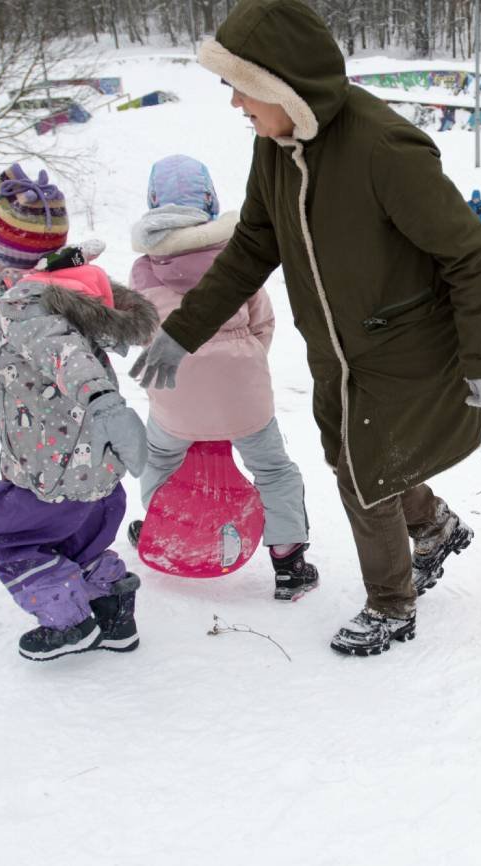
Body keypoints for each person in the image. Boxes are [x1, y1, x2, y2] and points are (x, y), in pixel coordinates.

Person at [130, 0, 481, 657]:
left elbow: (466, 253)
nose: (237, 107)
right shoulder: (278, 146)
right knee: (353, 462)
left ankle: (393, 605)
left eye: (244, 90)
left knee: (364, 477)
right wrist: (182, 332)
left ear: (283, 85)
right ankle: (435, 525)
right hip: (336, 350)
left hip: (402, 347)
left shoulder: (385, 148)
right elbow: (252, 246)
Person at [0, 164, 159, 661]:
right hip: (96, 468)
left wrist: (106, 404)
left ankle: (69, 623)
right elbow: (14, 341)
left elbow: (63, 356)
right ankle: (114, 620)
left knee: (8, 542)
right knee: (82, 545)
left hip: (48, 471)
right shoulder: (64, 292)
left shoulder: (21, 307)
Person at [128, 154, 318, 601]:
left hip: (177, 397)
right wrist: (243, 365)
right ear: (210, 200)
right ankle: (289, 562)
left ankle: (162, 526)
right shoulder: (236, 256)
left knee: (159, 460)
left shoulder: (142, 270)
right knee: (273, 469)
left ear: (154, 202)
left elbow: (140, 334)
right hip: (242, 393)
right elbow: (263, 323)